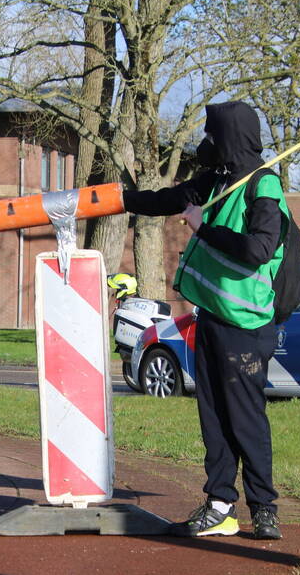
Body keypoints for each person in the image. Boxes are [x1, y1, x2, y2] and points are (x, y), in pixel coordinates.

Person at [121, 101, 289, 540]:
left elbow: (259, 249)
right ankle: (220, 505)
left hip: (247, 326)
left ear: (229, 140)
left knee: (244, 418)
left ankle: (264, 507)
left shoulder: (263, 186)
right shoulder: (216, 179)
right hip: (212, 318)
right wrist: (122, 199)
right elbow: (169, 200)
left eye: (213, 137)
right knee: (213, 416)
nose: (206, 145)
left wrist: (202, 228)